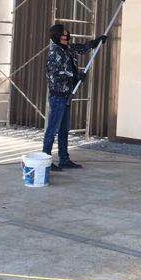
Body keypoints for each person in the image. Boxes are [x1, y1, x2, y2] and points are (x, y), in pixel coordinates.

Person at [43, 23, 107, 171]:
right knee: (52, 129)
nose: (67, 37)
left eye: (67, 35)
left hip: (67, 96)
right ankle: (45, 160)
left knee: (64, 130)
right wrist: (74, 75)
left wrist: (96, 42)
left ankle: (64, 160)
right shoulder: (55, 52)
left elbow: (81, 48)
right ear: (58, 37)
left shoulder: (67, 48)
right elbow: (54, 74)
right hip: (58, 96)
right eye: (64, 35)